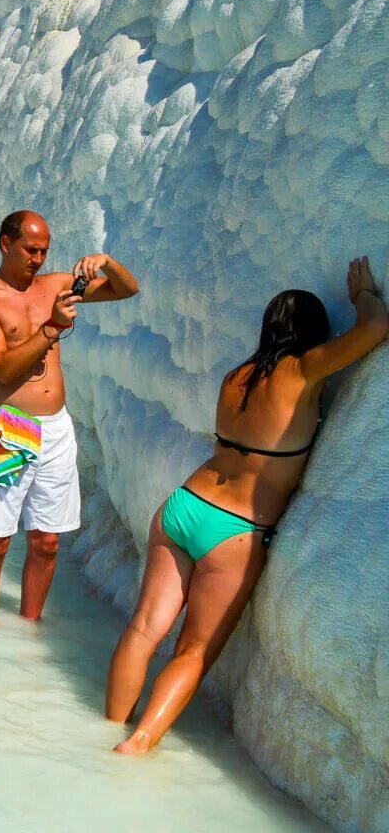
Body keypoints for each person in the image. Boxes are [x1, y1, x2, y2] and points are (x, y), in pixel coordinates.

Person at [105, 259, 386, 754]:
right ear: (313, 334)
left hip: (184, 506)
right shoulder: (303, 369)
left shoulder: (237, 376)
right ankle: (137, 746)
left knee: (144, 628)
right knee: (193, 650)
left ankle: (104, 731)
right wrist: (363, 293)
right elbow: (377, 328)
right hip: (233, 529)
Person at [0, 210, 141, 624]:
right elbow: (0, 369)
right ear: (6, 244)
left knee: (46, 541)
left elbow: (126, 290)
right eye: (30, 249)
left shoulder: (57, 284)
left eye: (44, 250)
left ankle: (30, 628)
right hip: (11, 426)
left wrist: (106, 262)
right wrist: (51, 327)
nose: (38, 258)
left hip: (56, 427)